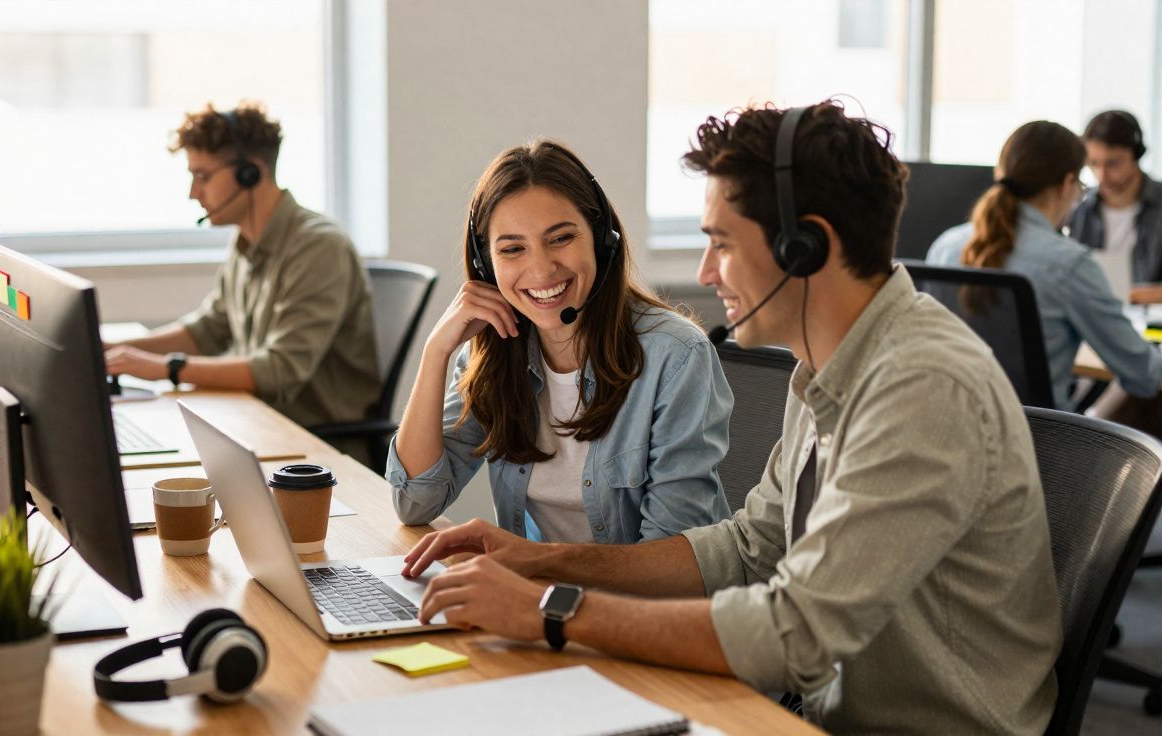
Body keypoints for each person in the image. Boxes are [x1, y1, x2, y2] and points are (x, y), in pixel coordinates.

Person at [402, 103, 1062, 734]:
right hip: (807, 711)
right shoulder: (830, 369)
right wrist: (543, 560)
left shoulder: (921, 387)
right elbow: (747, 549)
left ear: (805, 246)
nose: (704, 271)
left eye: (721, 243)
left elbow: (794, 634)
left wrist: (551, 609)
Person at [387, 139, 731, 544]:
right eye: (513, 249)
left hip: (636, 604)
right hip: (544, 594)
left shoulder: (674, 357)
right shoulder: (494, 354)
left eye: (561, 238)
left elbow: (668, 559)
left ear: (603, 240)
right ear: (486, 266)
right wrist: (435, 352)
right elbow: (414, 502)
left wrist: (531, 568)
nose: (541, 268)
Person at [104, 102, 380, 436]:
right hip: (251, 423)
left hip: (310, 444)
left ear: (249, 173)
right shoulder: (246, 242)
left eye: (202, 176)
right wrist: (116, 351)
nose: (193, 193)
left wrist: (166, 368)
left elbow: (280, 369)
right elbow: (209, 330)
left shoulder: (318, 247)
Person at [928, 121, 1162, 420]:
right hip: (1038, 447)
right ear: (1067, 184)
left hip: (947, 432)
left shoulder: (945, 246)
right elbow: (1143, 375)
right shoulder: (1069, 264)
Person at [1069, 110, 1162, 297]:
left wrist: (1133, 295)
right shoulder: (1080, 209)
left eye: (1113, 164)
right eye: (1093, 163)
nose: (1102, 176)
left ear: (1136, 155)